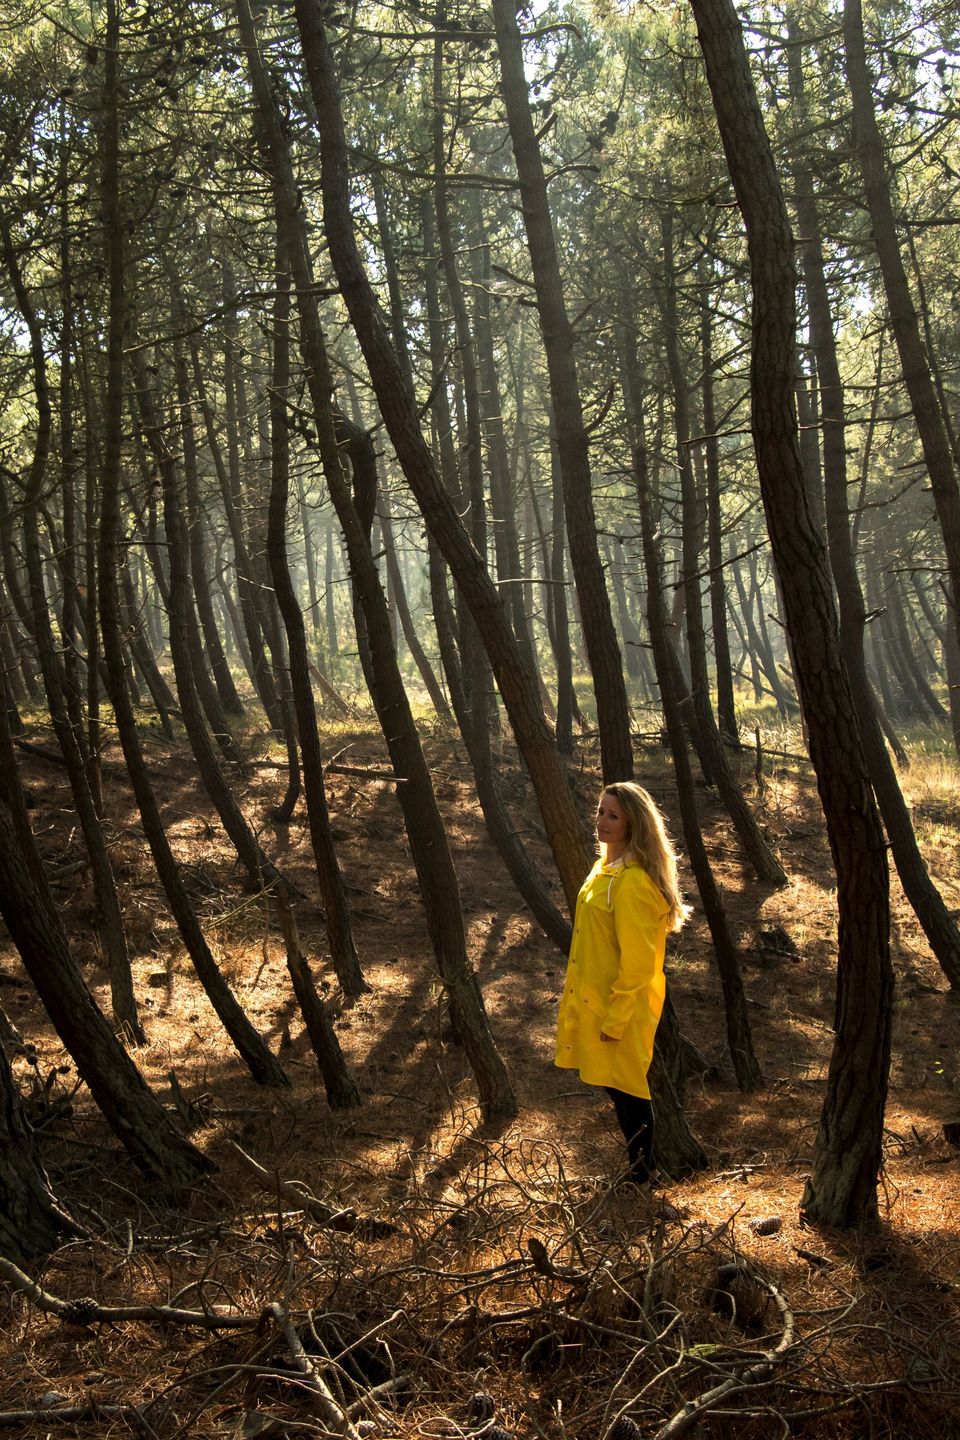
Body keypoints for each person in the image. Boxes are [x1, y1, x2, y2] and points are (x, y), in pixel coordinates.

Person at [555, 782, 689, 1185]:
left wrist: (615, 1018)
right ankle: (640, 1171)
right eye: (600, 812)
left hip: (620, 1007)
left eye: (613, 815)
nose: (602, 821)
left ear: (633, 824)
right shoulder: (604, 869)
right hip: (594, 999)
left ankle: (643, 1175)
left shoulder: (632, 883)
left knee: (628, 1088)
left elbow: (640, 964)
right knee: (615, 1086)